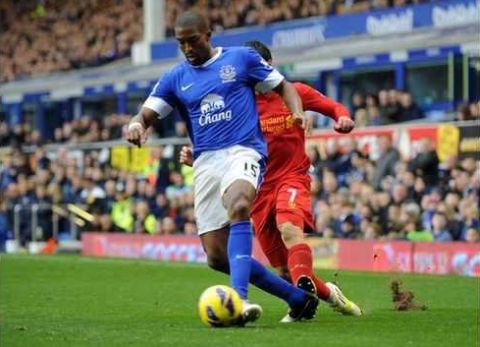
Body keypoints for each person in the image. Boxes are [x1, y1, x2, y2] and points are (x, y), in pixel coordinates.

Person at [126, 11, 318, 325]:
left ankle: (238, 300)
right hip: (205, 163)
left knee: (240, 204)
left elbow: (284, 86)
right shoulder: (176, 77)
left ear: (209, 34)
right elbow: (147, 113)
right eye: (181, 43)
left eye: (193, 40)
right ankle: (297, 299)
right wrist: (136, 125)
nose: (187, 47)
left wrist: (296, 112)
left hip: (244, 150)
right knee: (217, 256)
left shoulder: (242, 59)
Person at [181, 40, 362, 317]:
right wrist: (197, 157)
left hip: (293, 176)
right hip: (257, 189)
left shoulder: (294, 92)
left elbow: (332, 106)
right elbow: (223, 148)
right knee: (283, 270)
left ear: (268, 67)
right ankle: (329, 294)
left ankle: (303, 290)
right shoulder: (239, 104)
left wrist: (343, 118)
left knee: (290, 228)